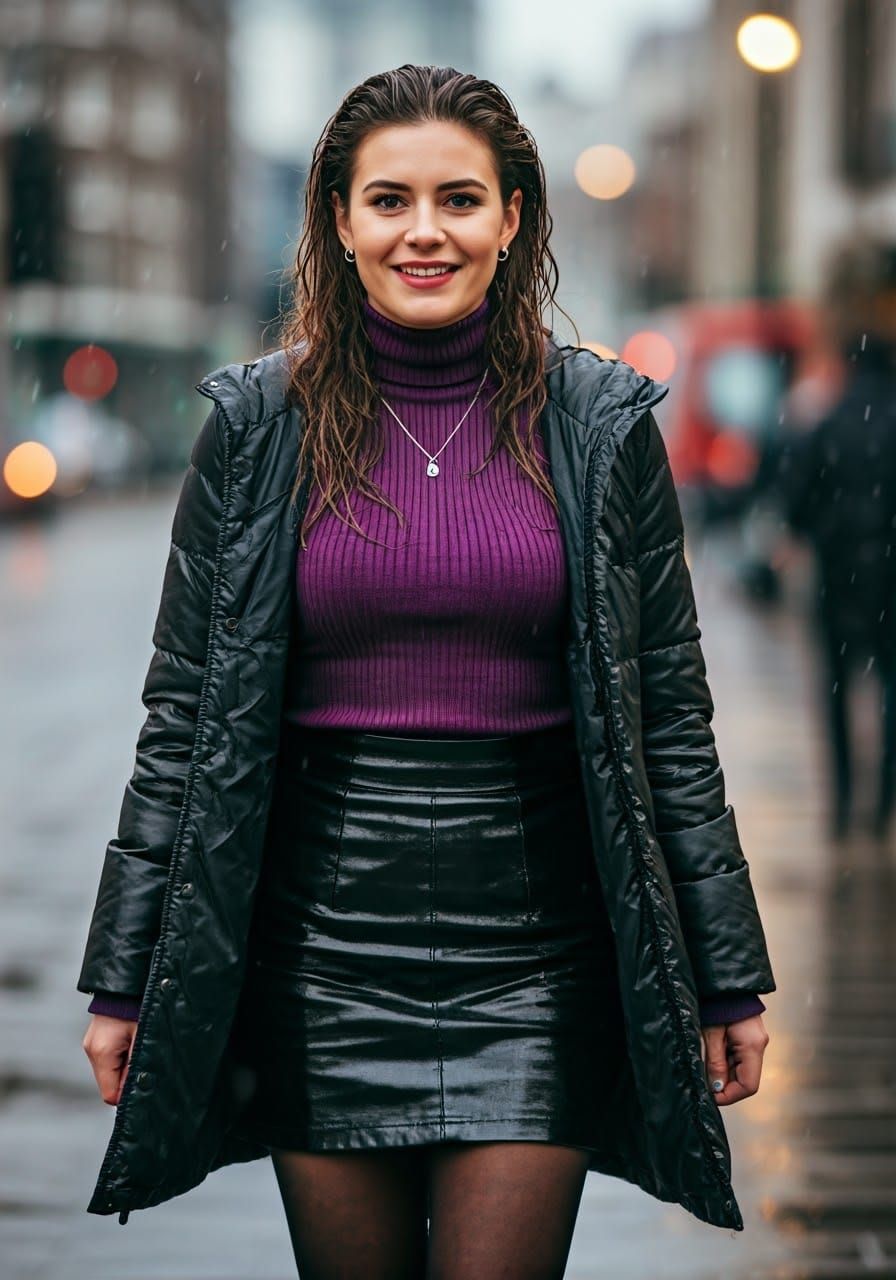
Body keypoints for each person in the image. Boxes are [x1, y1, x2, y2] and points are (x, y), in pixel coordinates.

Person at [79, 65, 775, 1277]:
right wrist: (125, 976)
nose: (423, 232)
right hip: (318, 947)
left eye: (458, 199)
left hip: (541, 946)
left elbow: (668, 713)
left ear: (511, 217)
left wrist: (724, 976)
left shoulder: (600, 423)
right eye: (388, 200)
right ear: (339, 221)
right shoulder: (256, 426)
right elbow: (184, 716)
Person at [782, 241, 896, 840]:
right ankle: (883, 806)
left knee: (837, 689)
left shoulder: (825, 421)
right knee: (890, 688)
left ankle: (843, 803)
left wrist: (815, 532)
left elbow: (796, 503)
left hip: (837, 573)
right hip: (890, 573)